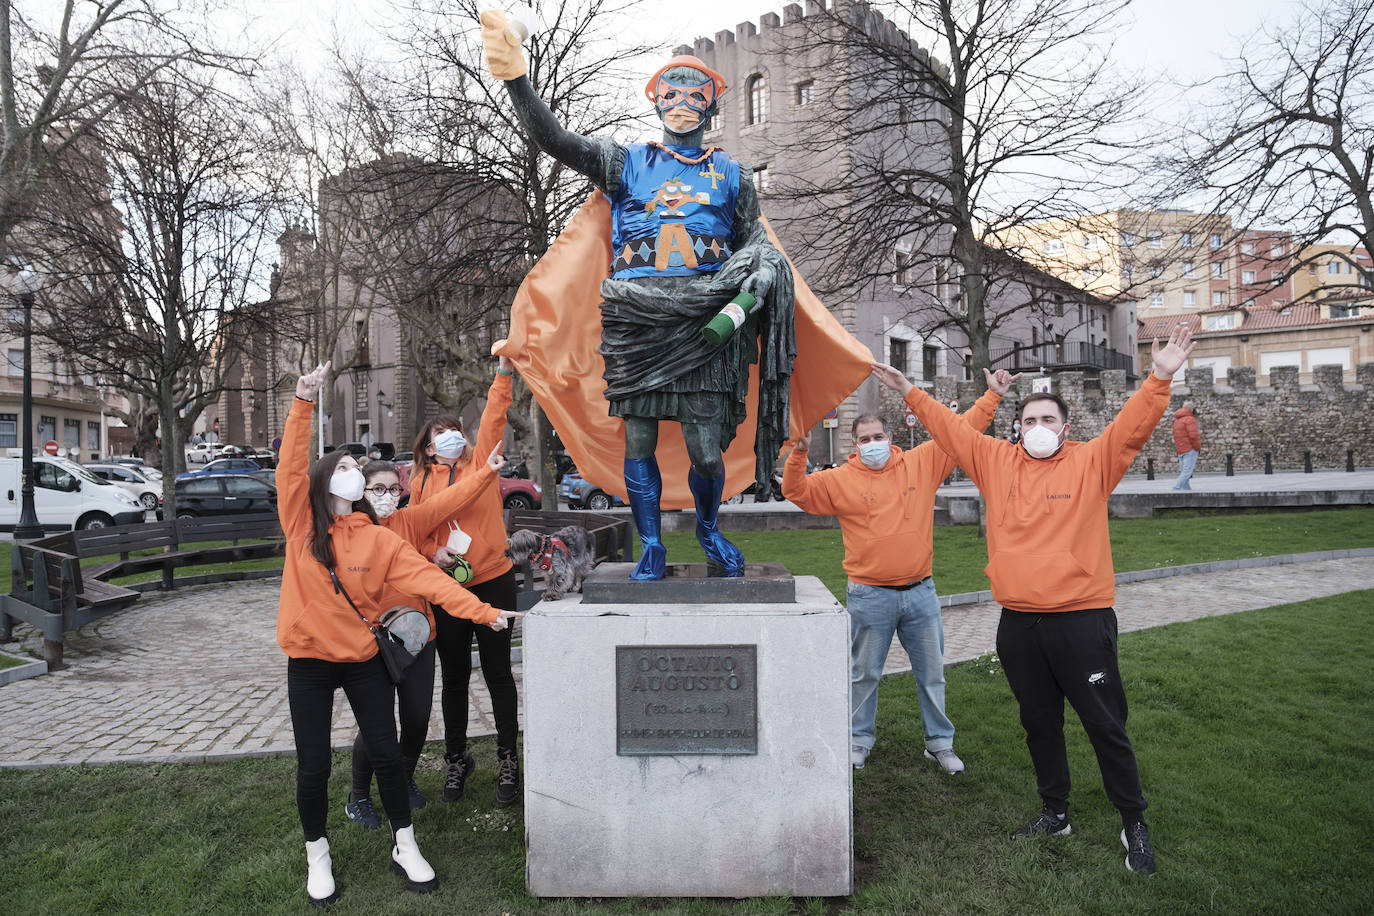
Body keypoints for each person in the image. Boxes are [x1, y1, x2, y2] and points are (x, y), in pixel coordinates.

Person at [875, 324, 1196, 877]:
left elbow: (1132, 429)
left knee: (1105, 726)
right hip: (1019, 625)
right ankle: (1055, 811)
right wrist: (909, 389)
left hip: (1082, 621)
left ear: (1066, 428)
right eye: (1029, 421)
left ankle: (1132, 820)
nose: (1039, 428)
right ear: (1016, 429)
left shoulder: (1092, 462)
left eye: (1049, 420)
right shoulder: (995, 462)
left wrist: (1160, 376)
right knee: (1038, 723)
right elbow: (950, 431)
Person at [481, 15, 796, 580]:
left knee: (705, 449)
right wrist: (515, 79)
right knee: (640, 439)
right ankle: (650, 541)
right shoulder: (626, 162)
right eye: (670, 91)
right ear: (657, 104)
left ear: (710, 106)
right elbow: (554, 140)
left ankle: (706, 528)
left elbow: (757, 242)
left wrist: (765, 268)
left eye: (693, 92)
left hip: (707, 320)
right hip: (636, 318)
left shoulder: (732, 175)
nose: (681, 100)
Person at [277, 363, 520, 905]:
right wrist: (302, 402)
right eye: (344, 465)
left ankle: (404, 844)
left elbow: (431, 580)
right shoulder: (301, 524)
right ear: (326, 480)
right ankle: (317, 854)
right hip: (310, 664)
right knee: (313, 763)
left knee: (388, 752)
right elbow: (290, 470)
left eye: (355, 467)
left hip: (365, 658)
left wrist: (483, 612)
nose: (354, 473)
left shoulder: (382, 537)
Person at [782, 371, 1016, 775]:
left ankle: (939, 743)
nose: (872, 444)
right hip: (869, 595)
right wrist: (799, 454)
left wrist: (992, 396)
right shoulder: (839, 480)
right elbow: (796, 492)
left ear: (890, 438)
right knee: (864, 674)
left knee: (931, 674)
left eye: (878, 436)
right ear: (854, 445)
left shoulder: (923, 462)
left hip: (921, 593)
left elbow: (962, 431)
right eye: (864, 439)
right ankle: (858, 739)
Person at [343, 444, 506, 831]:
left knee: (416, 719)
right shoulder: (349, 530)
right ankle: (360, 795)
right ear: (359, 492)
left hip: (419, 637)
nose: (386, 497)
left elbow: (451, 498)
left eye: (392, 489)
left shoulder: (409, 522)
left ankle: (402, 778)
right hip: (374, 642)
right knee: (376, 724)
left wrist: (486, 471)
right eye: (376, 490)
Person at [408, 359, 522, 806]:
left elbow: (494, 415)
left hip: (494, 579)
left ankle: (507, 756)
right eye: (441, 434)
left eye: (456, 429)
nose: (452, 436)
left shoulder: (482, 463)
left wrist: (504, 373)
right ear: (430, 449)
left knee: (498, 673)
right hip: (448, 588)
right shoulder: (419, 483)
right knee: (453, 677)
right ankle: (457, 758)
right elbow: (411, 533)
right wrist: (432, 552)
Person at [1172, 400, 1200, 490]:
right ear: (1191, 409)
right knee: (1187, 472)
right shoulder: (1190, 419)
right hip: (1190, 450)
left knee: (1184, 472)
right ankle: (1176, 488)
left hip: (1181, 450)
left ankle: (1187, 490)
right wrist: (1197, 448)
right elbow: (1193, 436)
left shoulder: (1177, 421)